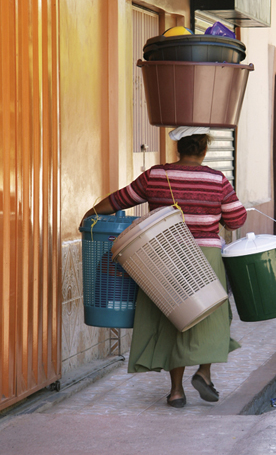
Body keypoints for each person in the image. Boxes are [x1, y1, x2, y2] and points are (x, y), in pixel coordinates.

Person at [80, 126, 247, 408]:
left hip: (161, 257)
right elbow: (236, 220)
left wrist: (91, 212)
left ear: (177, 148)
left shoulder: (156, 175)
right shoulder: (217, 179)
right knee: (211, 317)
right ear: (204, 149)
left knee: (173, 321)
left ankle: (176, 392)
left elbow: (120, 199)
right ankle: (204, 374)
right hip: (205, 256)